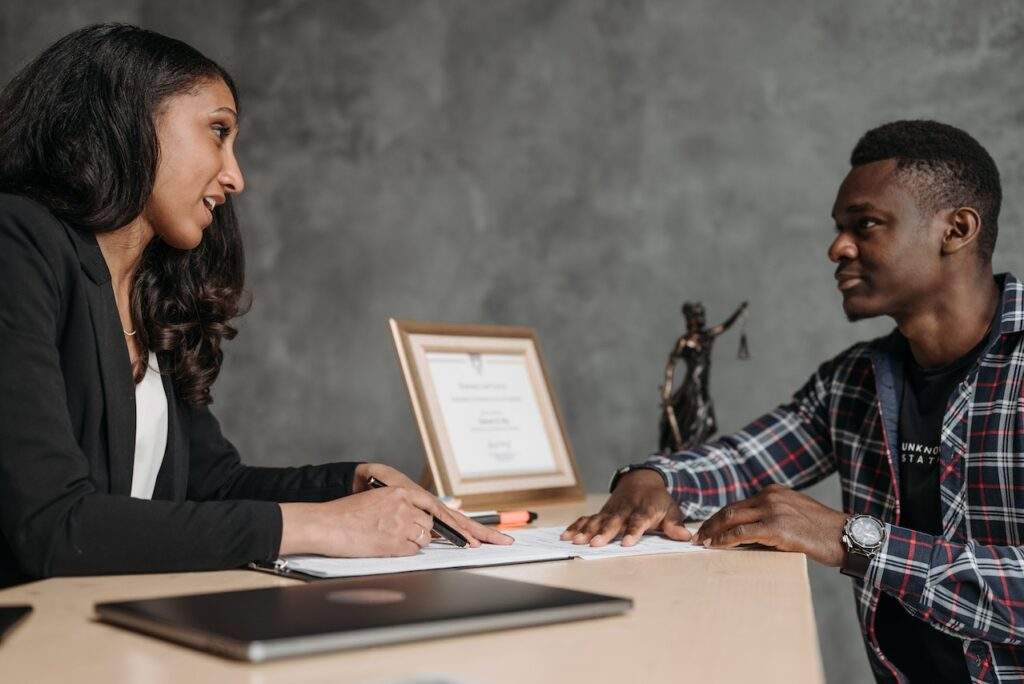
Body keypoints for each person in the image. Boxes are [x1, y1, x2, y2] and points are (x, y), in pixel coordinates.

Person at [0, 23, 510, 590]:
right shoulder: (17, 242)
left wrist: (346, 486)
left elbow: (210, 483)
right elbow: (52, 526)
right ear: (127, 118)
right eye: (218, 132)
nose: (235, 176)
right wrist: (319, 527)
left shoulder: (150, 294)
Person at [564, 120, 1020, 682]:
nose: (837, 248)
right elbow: (745, 459)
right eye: (838, 228)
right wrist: (651, 478)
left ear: (956, 230)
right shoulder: (854, 380)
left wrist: (851, 539)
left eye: (865, 225)